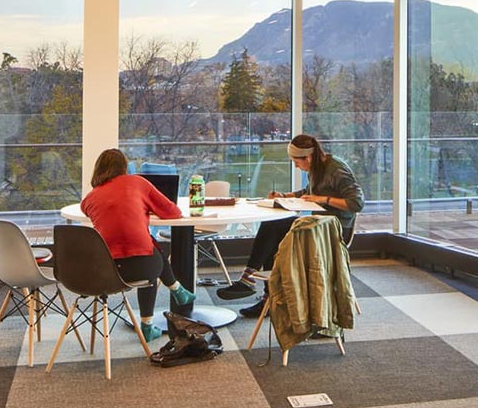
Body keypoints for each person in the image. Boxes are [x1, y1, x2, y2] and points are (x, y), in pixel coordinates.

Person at [217, 134, 364, 318]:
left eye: (296, 161)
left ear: (308, 157)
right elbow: (310, 192)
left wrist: (323, 200)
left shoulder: (336, 170)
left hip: (334, 229)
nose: (295, 165)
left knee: (275, 230)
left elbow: (356, 202)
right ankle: (268, 296)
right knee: (274, 229)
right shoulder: (317, 167)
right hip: (318, 225)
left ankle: (256, 286)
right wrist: (286, 196)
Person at [80, 149, 196, 341]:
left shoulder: (89, 199)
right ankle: (170, 297)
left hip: (108, 271)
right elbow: (172, 212)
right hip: (146, 267)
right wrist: (143, 209)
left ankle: (177, 292)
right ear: (124, 166)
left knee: (147, 244)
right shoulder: (137, 182)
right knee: (149, 248)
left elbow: (105, 217)